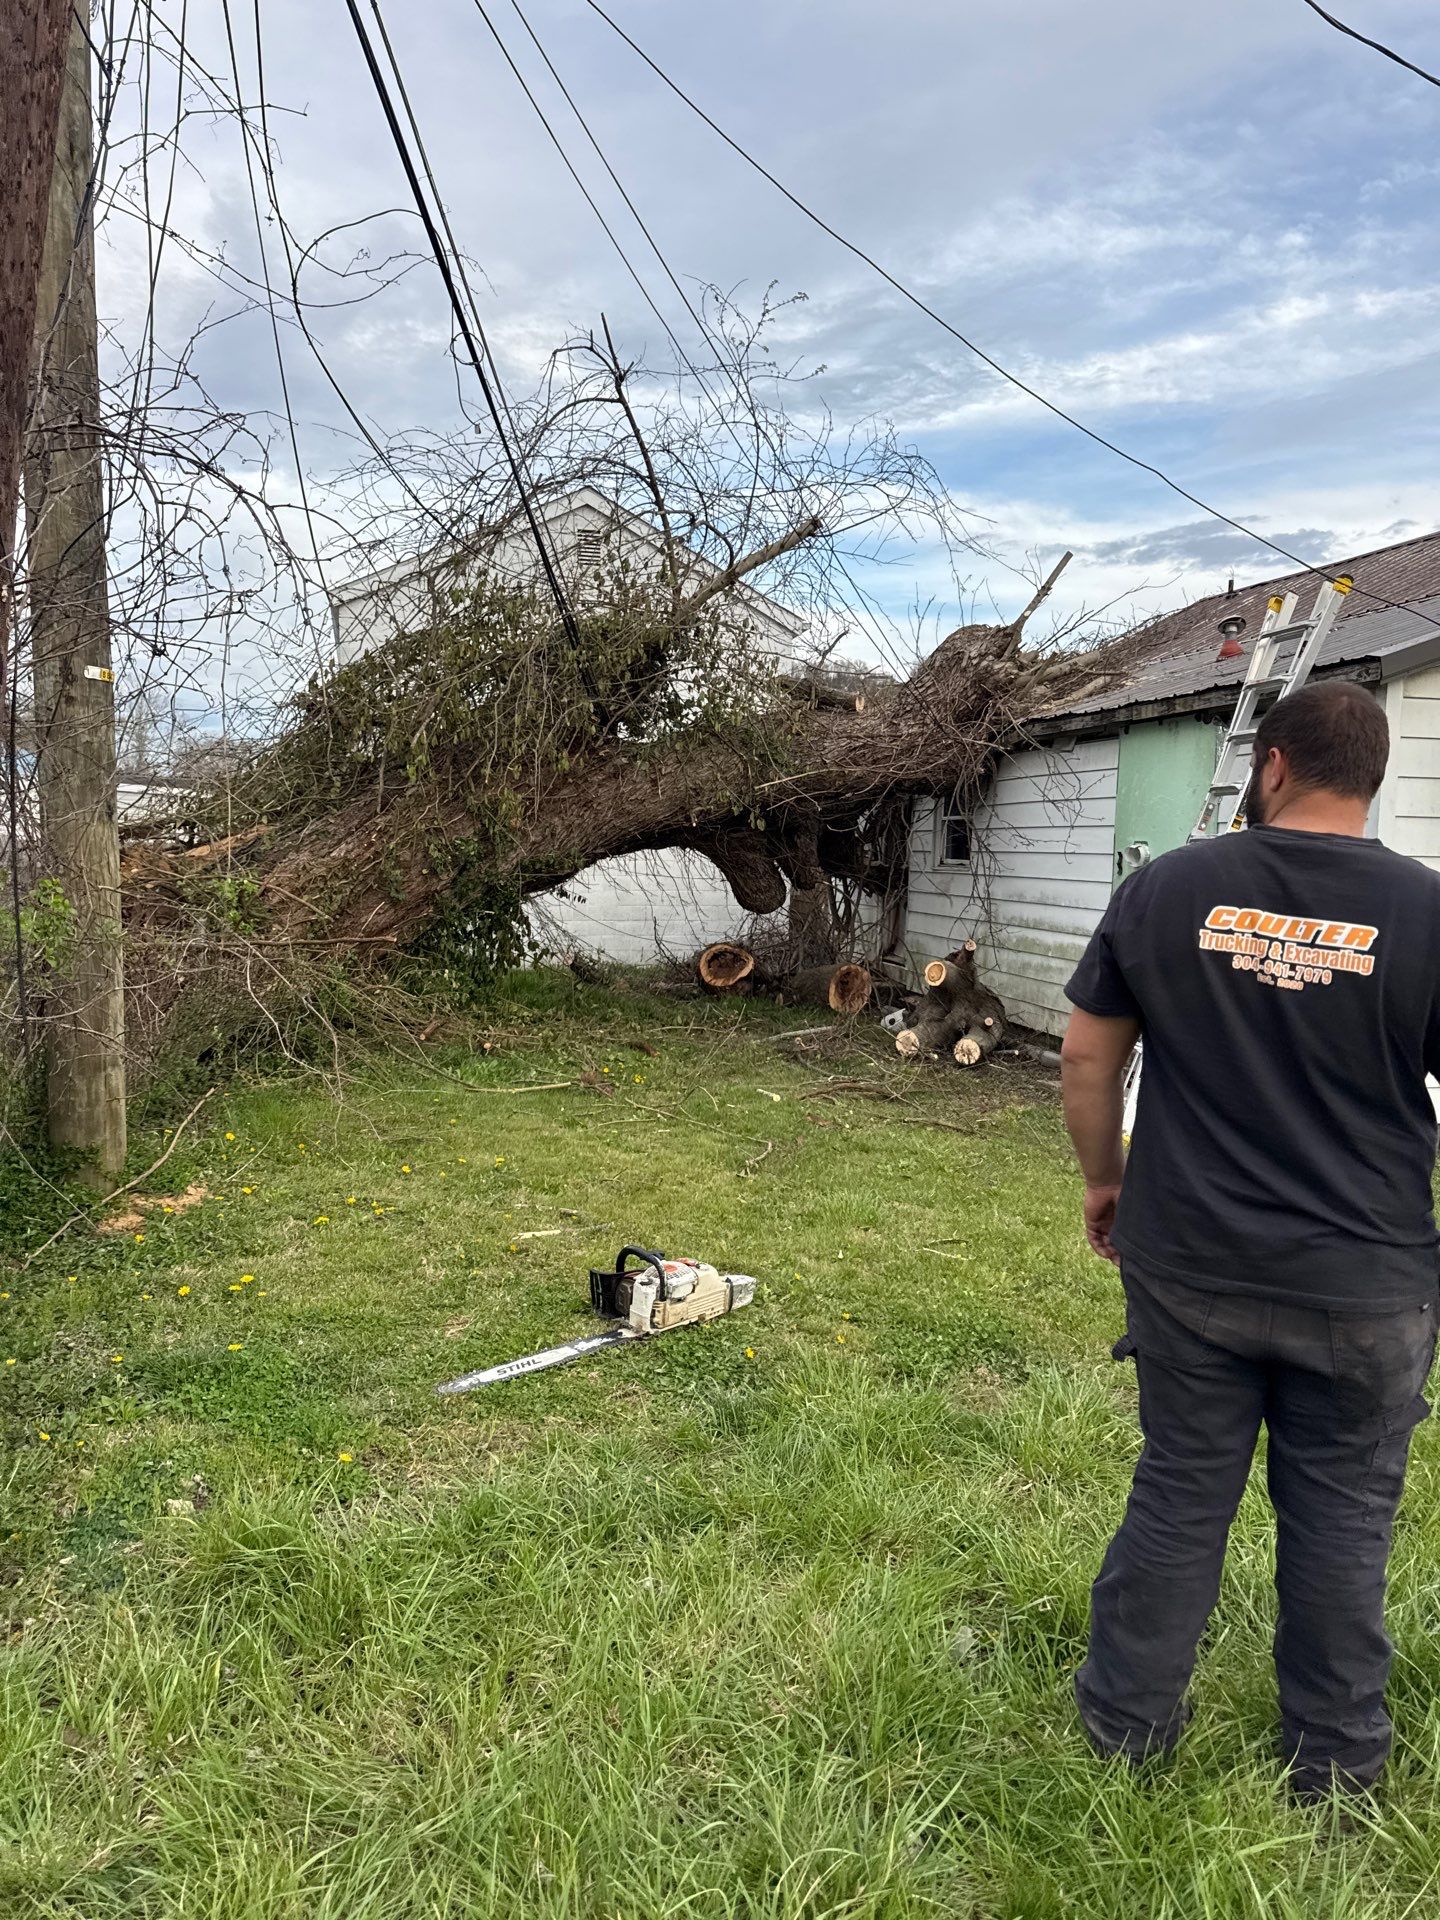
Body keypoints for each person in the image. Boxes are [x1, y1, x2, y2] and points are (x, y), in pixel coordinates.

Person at [1059, 678, 1440, 1800]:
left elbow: (1086, 1057)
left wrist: (1104, 1179)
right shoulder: (1428, 912)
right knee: (1343, 1522)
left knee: (1180, 1492)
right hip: (1367, 1280)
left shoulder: (1168, 888)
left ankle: (1125, 1734)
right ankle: (1337, 1767)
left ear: (1271, 765)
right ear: (1371, 780)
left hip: (1191, 1261)